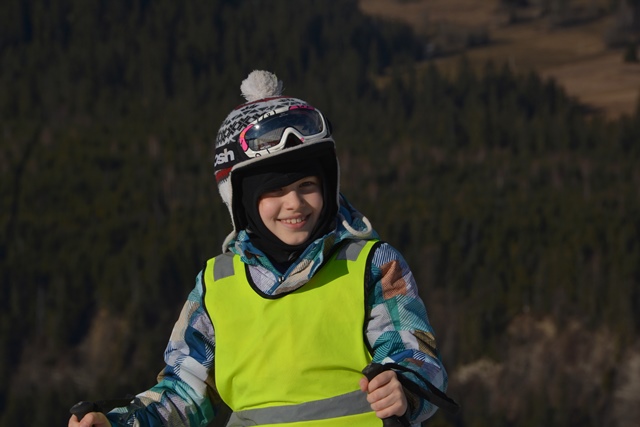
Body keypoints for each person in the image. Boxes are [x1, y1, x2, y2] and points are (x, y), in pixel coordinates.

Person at [69, 70, 454, 427]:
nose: (294, 204)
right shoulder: (218, 283)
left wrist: (403, 387)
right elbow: (185, 389)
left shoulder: (370, 264)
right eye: (274, 191)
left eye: (307, 185)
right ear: (242, 201)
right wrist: (120, 423)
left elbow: (416, 354)